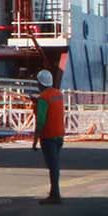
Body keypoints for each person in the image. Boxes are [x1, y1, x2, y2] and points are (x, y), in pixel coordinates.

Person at [30, 69, 66, 204]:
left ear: (40, 83)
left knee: (53, 166)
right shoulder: (59, 94)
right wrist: (37, 103)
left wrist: (35, 141)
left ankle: (55, 195)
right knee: (54, 164)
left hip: (48, 136)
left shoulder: (43, 98)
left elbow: (40, 121)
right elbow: (53, 109)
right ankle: (54, 193)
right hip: (59, 135)